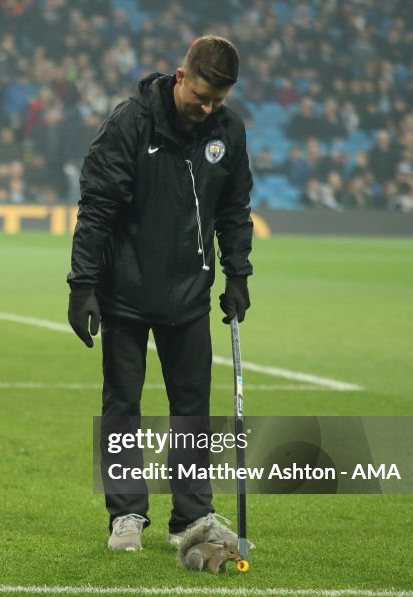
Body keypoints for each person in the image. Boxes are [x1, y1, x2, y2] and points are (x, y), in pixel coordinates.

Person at [67, 36, 253, 552]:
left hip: (190, 294)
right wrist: (82, 285)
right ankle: (126, 514)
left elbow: (235, 208)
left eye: (219, 98)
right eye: (201, 95)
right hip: (125, 292)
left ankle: (191, 517)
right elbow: (97, 207)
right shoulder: (130, 122)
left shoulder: (227, 130)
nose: (208, 107)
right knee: (124, 405)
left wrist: (238, 275)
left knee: (192, 407)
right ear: (180, 76)